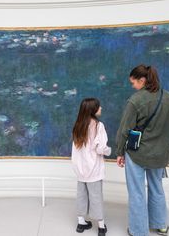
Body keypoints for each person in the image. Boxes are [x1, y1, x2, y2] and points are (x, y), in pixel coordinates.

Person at [116, 65, 169, 236]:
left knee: (137, 192)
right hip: (160, 154)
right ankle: (161, 225)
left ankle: (138, 231)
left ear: (142, 80)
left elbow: (124, 130)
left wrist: (120, 152)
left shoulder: (135, 101)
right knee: (157, 188)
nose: (132, 86)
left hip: (138, 154)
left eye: (133, 82)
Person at [71, 98, 111, 236]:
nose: (101, 108)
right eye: (99, 107)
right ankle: (101, 227)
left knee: (81, 195)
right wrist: (109, 151)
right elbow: (101, 149)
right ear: (93, 110)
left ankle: (81, 224)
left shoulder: (77, 126)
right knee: (96, 196)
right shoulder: (98, 126)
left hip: (80, 169)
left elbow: (76, 149)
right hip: (93, 169)